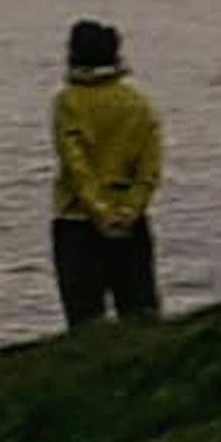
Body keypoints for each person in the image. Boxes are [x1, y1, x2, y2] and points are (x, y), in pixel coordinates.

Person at [49, 17, 166, 327]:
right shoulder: (138, 104)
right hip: (132, 223)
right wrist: (130, 210)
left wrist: (100, 213)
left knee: (85, 324)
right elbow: (150, 168)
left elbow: (76, 166)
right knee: (142, 317)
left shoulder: (67, 101)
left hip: (76, 223)